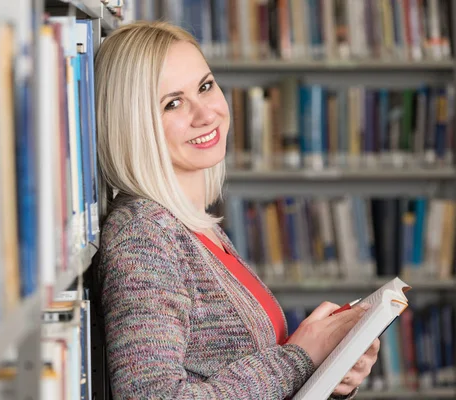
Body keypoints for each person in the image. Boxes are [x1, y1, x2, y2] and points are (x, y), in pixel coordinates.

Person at [92, 21, 380, 399]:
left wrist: (329, 372)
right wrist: (301, 357)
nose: (205, 114)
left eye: (205, 86)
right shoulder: (144, 235)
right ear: (132, 125)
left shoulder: (194, 225)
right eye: (172, 103)